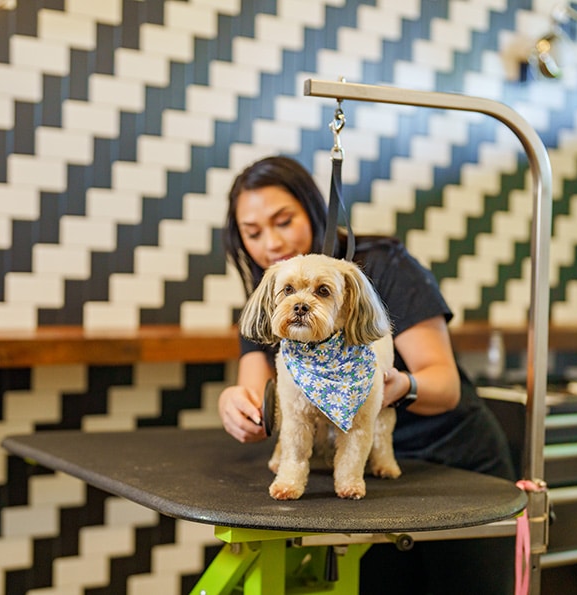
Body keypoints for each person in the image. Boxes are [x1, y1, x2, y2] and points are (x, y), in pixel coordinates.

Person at [218, 155, 516, 594]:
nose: (271, 243)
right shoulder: (275, 294)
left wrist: (395, 387)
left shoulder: (383, 268)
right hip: (358, 485)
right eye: (253, 232)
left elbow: (444, 385)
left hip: (450, 466)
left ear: (313, 209)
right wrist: (237, 406)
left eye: (283, 221)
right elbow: (254, 385)